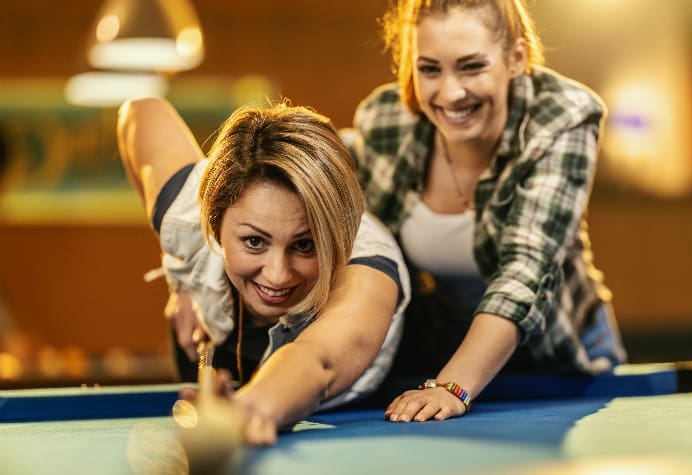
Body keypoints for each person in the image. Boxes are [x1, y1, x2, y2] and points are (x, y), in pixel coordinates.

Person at [343, 0, 627, 423]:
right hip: (437, 354)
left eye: (471, 66)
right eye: (430, 69)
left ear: (516, 58)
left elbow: (524, 270)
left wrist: (452, 386)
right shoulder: (384, 120)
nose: (451, 92)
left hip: (556, 354)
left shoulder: (562, 116)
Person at [117, 97, 410, 444]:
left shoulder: (366, 268)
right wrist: (178, 278)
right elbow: (140, 112)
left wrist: (247, 410)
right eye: (254, 241)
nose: (277, 275)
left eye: (304, 245)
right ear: (213, 222)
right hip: (213, 349)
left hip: (350, 412)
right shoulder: (186, 211)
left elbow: (318, 362)